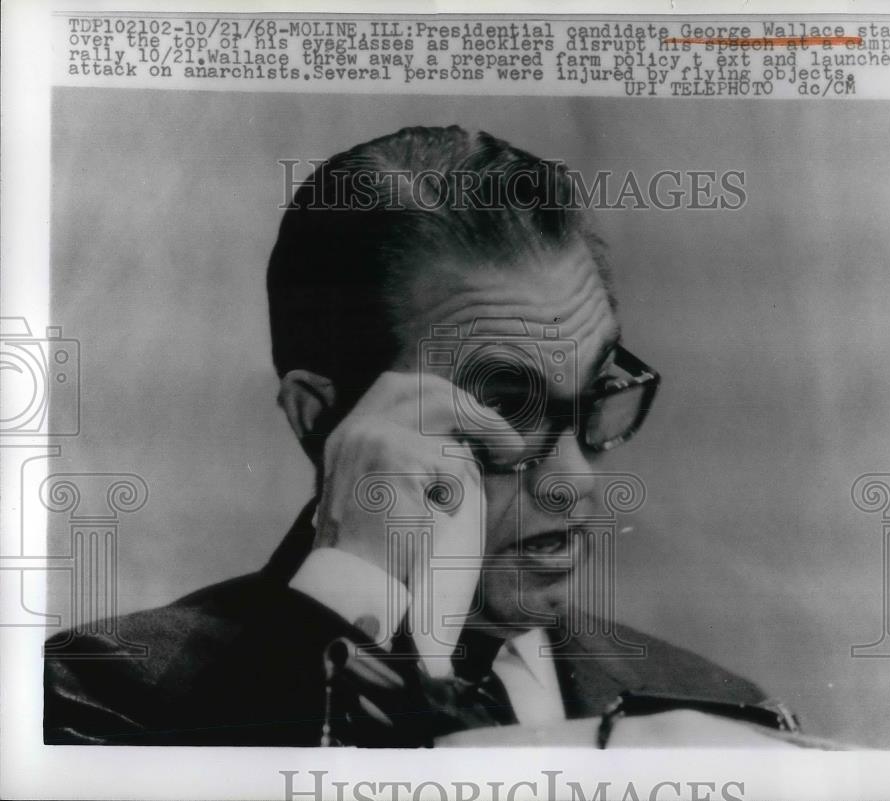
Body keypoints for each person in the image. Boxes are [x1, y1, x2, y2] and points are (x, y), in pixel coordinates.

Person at [44, 126, 794, 747]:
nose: (575, 480)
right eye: (501, 414)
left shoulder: (714, 712)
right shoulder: (102, 697)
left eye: (597, 396)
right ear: (322, 418)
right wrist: (352, 598)